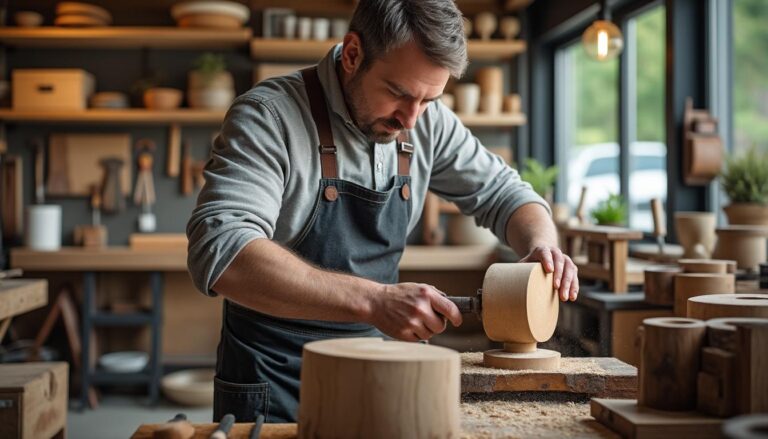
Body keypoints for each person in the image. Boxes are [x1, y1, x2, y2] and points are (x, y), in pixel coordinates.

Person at [187, 0, 578, 424]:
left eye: (430, 99)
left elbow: (508, 194)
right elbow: (223, 252)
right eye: (398, 93)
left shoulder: (425, 122)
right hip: (274, 382)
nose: (411, 119)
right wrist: (374, 301)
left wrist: (542, 245)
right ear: (352, 54)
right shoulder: (269, 117)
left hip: (380, 370)